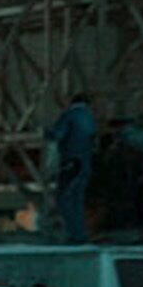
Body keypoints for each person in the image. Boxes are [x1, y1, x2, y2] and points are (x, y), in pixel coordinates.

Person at [45, 95, 96, 244]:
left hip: (71, 161)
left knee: (64, 198)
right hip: (85, 162)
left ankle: (73, 234)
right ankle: (80, 233)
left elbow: (57, 134)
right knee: (77, 199)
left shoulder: (69, 116)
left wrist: (45, 132)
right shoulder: (89, 118)